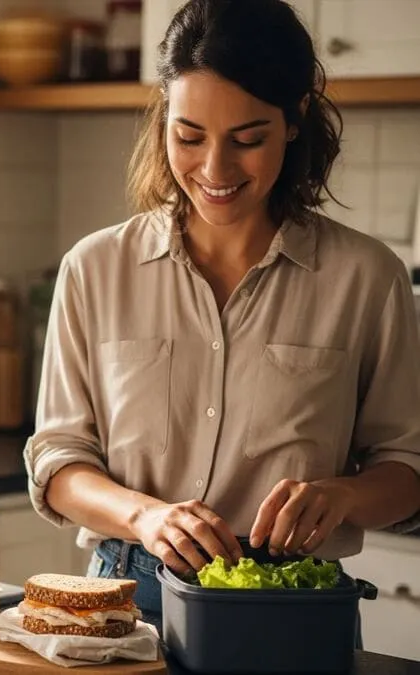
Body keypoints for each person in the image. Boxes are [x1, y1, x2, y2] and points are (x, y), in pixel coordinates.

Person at [23, 0, 420, 637]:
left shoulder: (367, 279)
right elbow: (60, 462)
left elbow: (408, 467)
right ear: (163, 124)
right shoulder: (93, 268)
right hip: (124, 602)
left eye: (247, 139)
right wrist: (144, 516)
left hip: (295, 604)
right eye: (189, 137)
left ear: (293, 123)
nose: (214, 170)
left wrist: (343, 496)